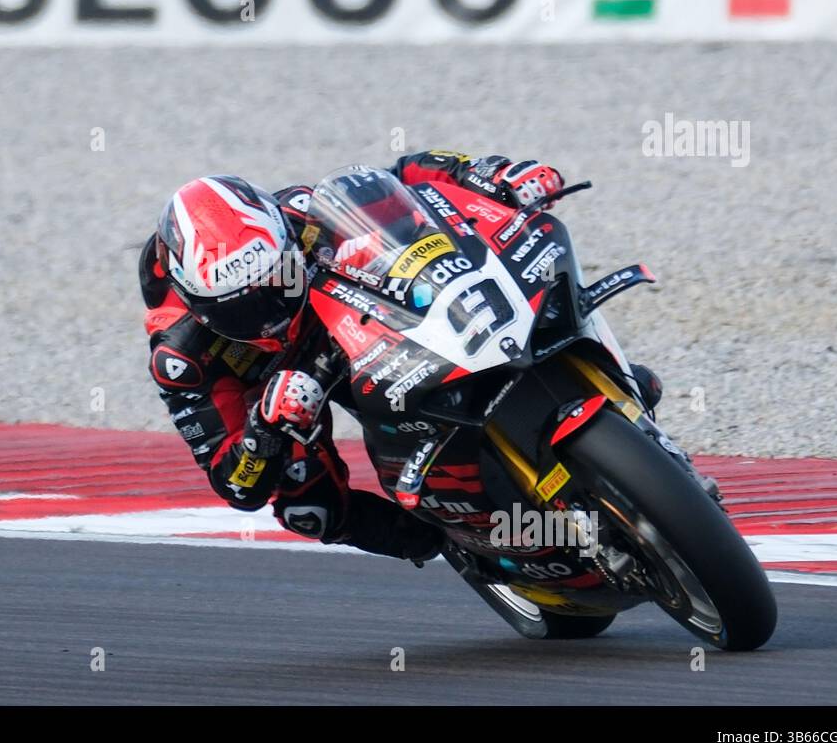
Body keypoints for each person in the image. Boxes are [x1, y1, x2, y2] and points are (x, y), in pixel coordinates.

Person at [138, 150, 608, 562]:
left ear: (279, 233)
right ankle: (452, 545)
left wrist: (486, 174)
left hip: (348, 320)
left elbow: (404, 180)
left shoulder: (298, 214)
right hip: (283, 388)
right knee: (310, 508)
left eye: (278, 276)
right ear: (200, 307)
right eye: (244, 307)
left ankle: (579, 366)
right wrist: (263, 429)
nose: (268, 311)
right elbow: (234, 483)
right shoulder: (182, 357)